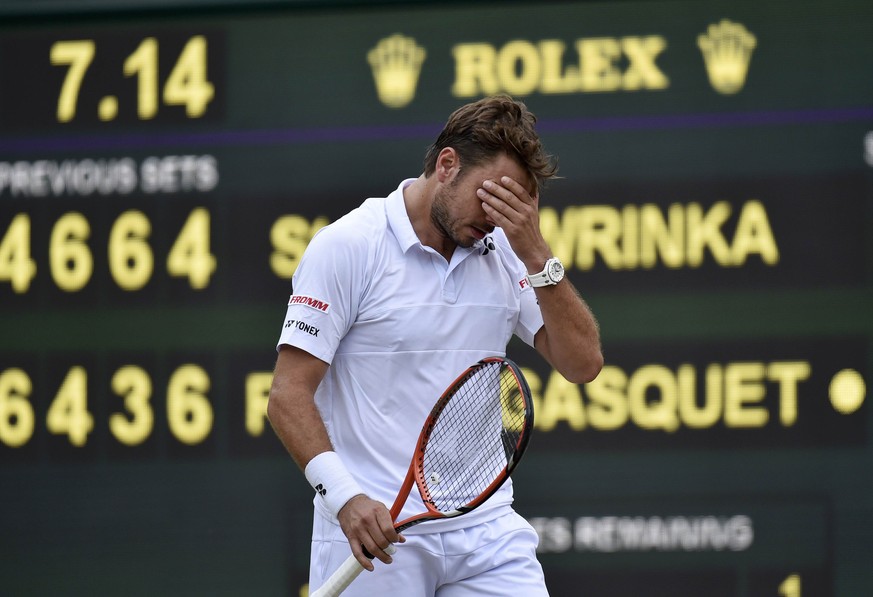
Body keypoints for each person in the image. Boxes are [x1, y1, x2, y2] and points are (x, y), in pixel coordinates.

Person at [267, 95, 603, 596]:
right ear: (447, 165)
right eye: (488, 197)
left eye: (509, 206)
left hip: (486, 529)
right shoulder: (348, 246)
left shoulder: (510, 250)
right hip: (374, 533)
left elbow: (583, 364)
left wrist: (536, 251)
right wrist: (346, 499)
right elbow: (287, 396)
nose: (494, 218)